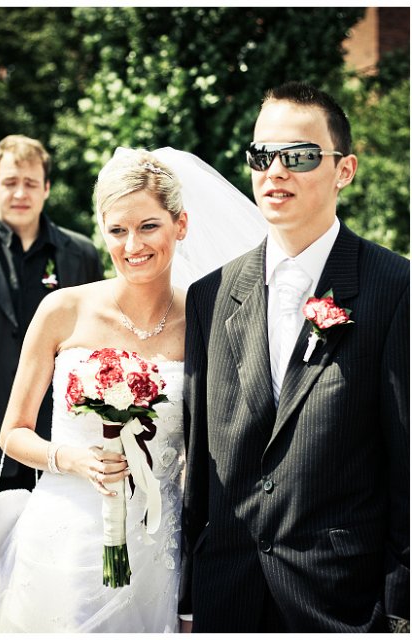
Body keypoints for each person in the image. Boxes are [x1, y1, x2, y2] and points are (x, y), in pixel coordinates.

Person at [0, 147, 267, 633]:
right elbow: (12, 433)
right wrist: (69, 459)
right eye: (117, 230)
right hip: (62, 542)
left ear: (181, 225)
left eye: (148, 226)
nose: (132, 245)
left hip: (158, 547)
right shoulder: (62, 310)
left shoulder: (204, 321)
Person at [179, 81, 410, 632]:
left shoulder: (396, 289)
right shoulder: (209, 296)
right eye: (262, 155)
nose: (275, 171)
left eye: (300, 156)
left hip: (344, 606)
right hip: (227, 599)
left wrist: (399, 615)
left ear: (344, 170)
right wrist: (189, 598)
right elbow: (201, 467)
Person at [0, 134, 104, 492]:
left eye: (30, 183)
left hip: (58, 442)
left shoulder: (81, 254)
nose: (20, 193)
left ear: (46, 188)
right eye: (10, 182)